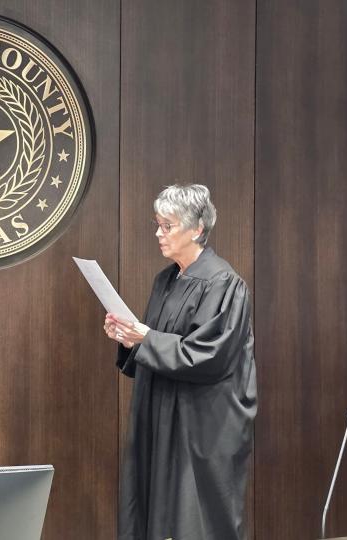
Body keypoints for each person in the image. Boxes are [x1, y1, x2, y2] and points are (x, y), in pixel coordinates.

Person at [105, 184, 257, 540]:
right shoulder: (166, 280)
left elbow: (209, 355)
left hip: (202, 423)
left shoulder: (224, 283)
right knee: (152, 508)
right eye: (157, 223)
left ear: (197, 228)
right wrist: (128, 339)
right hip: (161, 411)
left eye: (167, 225)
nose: (158, 233)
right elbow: (152, 343)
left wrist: (146, 338)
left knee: (193, 520)